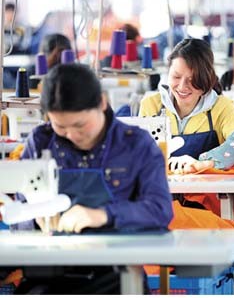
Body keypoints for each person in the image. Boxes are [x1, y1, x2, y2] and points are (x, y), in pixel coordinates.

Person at [21, 63, 173, 234]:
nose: (71, 135)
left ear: (102, 102)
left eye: (80, 125)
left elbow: (160, 210)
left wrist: (104, 215)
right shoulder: (41, 141)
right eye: (60, 126)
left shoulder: (137, 144)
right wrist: (34, 216)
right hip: (52, 246)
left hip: (119, 249)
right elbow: (19, 204)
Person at [139, 38, 234, 173]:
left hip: (207, 185)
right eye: (176, 77)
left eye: (192, 80)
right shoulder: (151, 105)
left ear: (206, 79)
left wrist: (202, 164)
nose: (182, 87)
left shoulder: (220, 106)